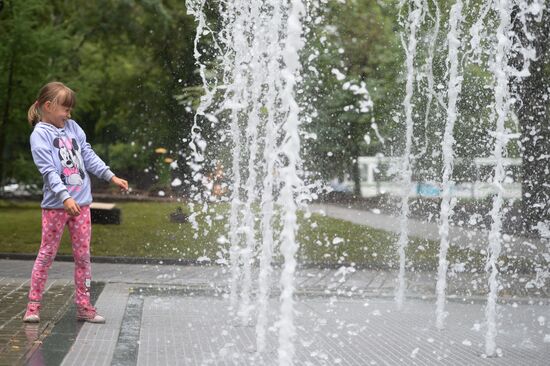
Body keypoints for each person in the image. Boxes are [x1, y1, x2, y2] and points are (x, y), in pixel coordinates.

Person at [23, 82, 129, 324]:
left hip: (81, 205)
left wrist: (110, 176)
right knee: (46, 254)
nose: (68, 114)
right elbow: (48, 170)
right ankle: (33, 306)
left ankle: (84, 306)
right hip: (55, 207)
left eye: (70, 110)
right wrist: (65, 197)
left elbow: (88, 155)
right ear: (48, 106)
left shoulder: (73, 128)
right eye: (65, 109)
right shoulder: (40, 135)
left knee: (83, 257)